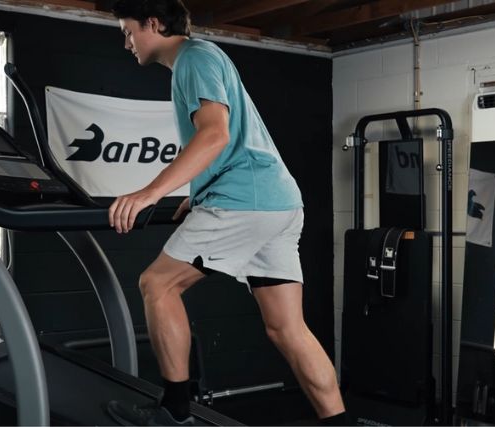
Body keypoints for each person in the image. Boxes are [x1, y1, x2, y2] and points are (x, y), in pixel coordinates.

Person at [106, 0, 348, 425]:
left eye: (128, 30)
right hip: (278, 203)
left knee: (157, 286)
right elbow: (230, 140)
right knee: (287, 328)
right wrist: (198, 192)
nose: (126, 42)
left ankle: (174, 415)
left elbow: (215, 134)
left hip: (246, 202)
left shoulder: (192, 59)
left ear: (154, 23)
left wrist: (149, 193)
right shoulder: (203, 57)